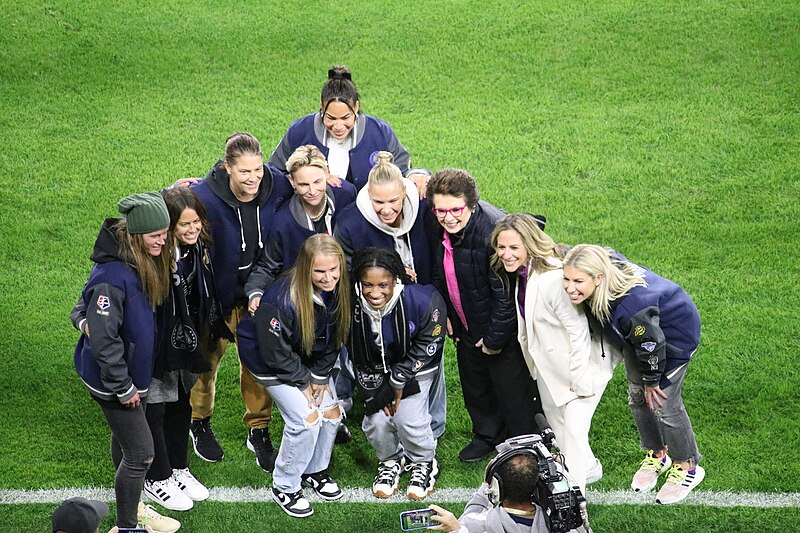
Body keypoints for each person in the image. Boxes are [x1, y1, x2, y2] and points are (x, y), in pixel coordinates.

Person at [562, 244, 704, 504]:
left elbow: (652, 346)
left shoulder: (631, 309)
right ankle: (657, 454)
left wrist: (652, 380)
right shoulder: (600, 267)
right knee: (637, 398)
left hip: (672, 341)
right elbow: (588, 251)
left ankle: (688, 467)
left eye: (578, 281)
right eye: (566, 279)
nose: (570, 287)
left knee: (663, 404)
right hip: (641, 338)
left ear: (598, 278)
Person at [71, 192, 179, 532]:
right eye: (154, 236)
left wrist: (83, 319)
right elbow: (103, 339)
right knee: (141, 454)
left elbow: (82, 308)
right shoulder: (112, 275)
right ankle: (128, 526)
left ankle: (134, 508)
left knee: (126, 443)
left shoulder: (139, 258)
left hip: (136, 376)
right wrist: (123, 385)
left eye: (165, 233)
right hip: (115, 382)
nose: (162, 241)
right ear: (134, 235)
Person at [187, 132, 293, 470]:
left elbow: (310, 186)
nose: (253, 179)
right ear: (227, 167)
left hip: (258, 297)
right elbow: (171, 209)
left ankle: (258, 430)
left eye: (258, 170)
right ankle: (198, 422)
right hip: (216, 300)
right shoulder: (202, 196)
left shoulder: (277, 184)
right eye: (244, 172)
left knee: (259, 366)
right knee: (205, 365)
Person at [490, 214, 616, 492]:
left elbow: (579, 332)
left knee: (571, 434)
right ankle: (590, 468)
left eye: (513, 248)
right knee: (559, 433)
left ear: (530, 245)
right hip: (549, 371)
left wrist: (581, 381)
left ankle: (575, 509)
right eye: (501, 247)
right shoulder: (524, 274)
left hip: (580, 371)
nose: (506, 255)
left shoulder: (551, 279)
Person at [244, 144, 357, 444]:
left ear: (328, 176)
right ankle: (319, 406)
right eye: (303, 183)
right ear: (292, 183)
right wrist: (256, 291)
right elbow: (268, 263)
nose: (311, 190)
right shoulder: (284, 222)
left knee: (344, 350)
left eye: (318, 181)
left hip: (344, 293)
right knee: (321, 349)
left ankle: (339, 409)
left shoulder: (346, 195)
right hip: (310, 303)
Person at [426, 168, 540, 462]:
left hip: (497, 328)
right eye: (441, 210)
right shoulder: (435, 223)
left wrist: (493, 339)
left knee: (511, 388)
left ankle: (522, 442)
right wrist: (446, 314)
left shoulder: (490, 231)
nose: (448, 217)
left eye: (455, 210)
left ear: (471, 205)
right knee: (475, 385)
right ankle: (487, 435)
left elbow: (504, 294)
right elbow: (440, 271)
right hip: (464, 324)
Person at [334, 151, 446, 440]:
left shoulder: (423, 207)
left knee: (429, 356)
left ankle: (432, 425)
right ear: (368, 194)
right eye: (379, 202)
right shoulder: (350, 223)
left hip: (422, 301)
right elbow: (345, 274)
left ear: (404, 194)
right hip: (376, 305)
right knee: (382, 358)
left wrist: (438, 299)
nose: (386, 209)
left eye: (393, 201)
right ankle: (381, 415)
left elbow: (438, 253)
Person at [237, 234, 350, 518]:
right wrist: (303, 381)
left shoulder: (341, 290)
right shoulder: (280, 298)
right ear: (305, 269)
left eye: (334, 269)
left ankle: (315, 471)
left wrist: (320, 377)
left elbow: (336, 338)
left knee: (332, 414)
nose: (329, 277)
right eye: (320, 271)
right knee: (306, 421)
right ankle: (285, 485)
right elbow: (274, 353)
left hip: (306, 360)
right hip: (268, 361)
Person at [140, 187, 230, 511]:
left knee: (180, 406)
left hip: (186, 343)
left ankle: (179, 469)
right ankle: (157, 477)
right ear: (168, 227)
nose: (192, 230)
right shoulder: (154, 256)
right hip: (157, 348)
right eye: (184, 225)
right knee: (156, 410)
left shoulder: (197, 247)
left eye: (196, 223)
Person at [349, 248, 446, 500]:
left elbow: (430, 344)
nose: (375, 292)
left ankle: (424, 462)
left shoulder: (424, 301)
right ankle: (390, 461)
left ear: (396, 280)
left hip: (416, 369)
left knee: (408, 419)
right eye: (367, 285)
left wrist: (400, 377)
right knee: (377, 422)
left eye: (383, 285)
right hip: (373, 371)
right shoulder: (349, 303)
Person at [268, 65, 430, 194]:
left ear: (356, 107)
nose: (338, 126)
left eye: (345, 118)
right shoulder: (300, 130)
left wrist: (416, 174)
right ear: (321, 107)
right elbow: (275, 171)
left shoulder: (380, 132)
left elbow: (402, 171)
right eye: (330, 118)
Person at [428, 446, 550, 533]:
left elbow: (472, 512)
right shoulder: (556, 518)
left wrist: (457, 529)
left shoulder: (481, 523)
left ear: (496, 487)